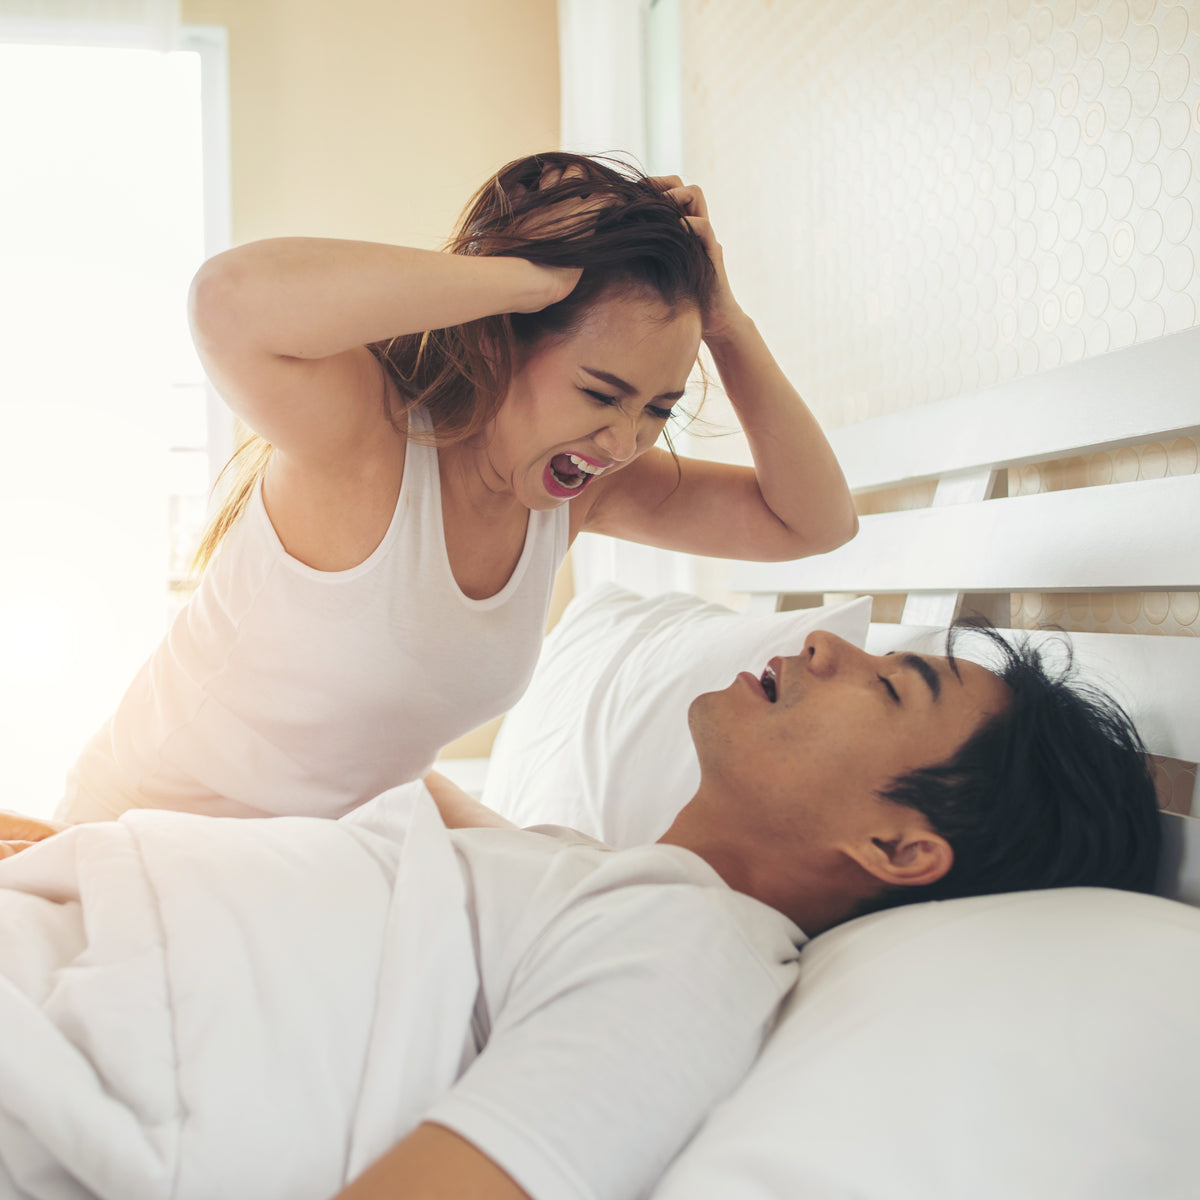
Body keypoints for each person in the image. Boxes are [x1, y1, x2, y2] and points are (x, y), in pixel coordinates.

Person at [0, 626, 1161, 1199]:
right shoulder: (598, 881)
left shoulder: (694, 957)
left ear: (899, 847)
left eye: (889, 684)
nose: (824, 643)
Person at [54, 150, 858, 825]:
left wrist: (728, 324)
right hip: (148, 835)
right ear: (502, 337)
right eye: (600, 393)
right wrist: (529, 281)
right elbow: (227, 301)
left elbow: (812, 524)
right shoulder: (365, 442)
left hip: (327, 851)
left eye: (656, 409)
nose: (623, 443)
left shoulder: (583, 492)